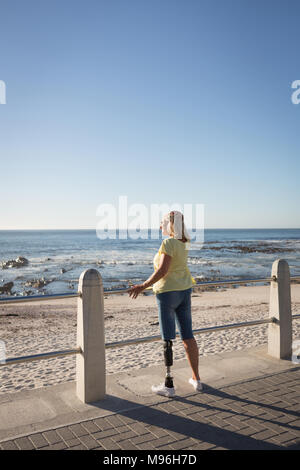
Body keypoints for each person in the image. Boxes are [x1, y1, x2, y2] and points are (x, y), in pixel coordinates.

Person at [128, 210, 202, 397]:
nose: (160, 226)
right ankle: (196, 379)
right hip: (185, 290)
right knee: (188, 336)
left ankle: (168, 385)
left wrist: (142, 286)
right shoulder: (185, 242)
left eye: (162, 223)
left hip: (168, 293)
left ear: (169, 225)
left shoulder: (168, 242)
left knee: (167, 338)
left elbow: (162, 270)